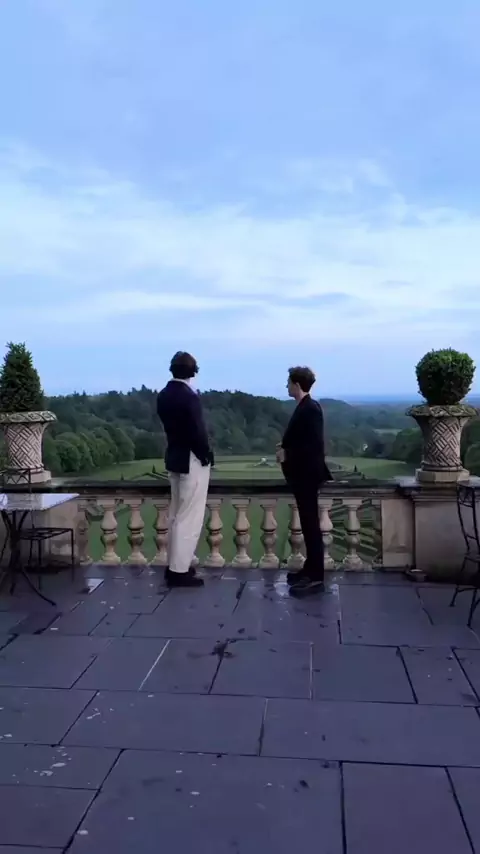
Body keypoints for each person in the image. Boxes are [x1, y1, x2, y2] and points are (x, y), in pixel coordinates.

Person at [157, 351, 214, 588]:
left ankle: (175, 565)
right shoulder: (190, 397)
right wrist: (206, 456)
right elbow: (197, 432)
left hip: (174, 457)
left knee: (176, 514)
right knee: (189, 517)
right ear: (193, 371)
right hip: (191, 459)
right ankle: (179, 570)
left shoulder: (163, 395)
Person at [277, 366, 331, 597]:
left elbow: (313, 447)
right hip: (304, 475)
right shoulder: (306, 407)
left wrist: (287, 454)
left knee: (311, 526)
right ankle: (310, 570)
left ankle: (316, 577)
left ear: (297, 385)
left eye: (289, 382)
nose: (287, 386)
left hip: (307, 476)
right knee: (309, 526)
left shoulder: (310, 409)